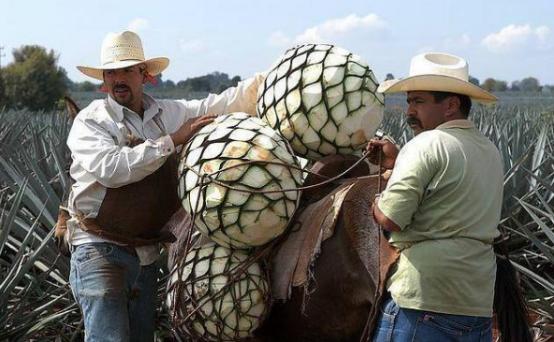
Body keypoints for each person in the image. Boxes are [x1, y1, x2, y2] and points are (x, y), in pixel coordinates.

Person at [63, 30, 264, 341]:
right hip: (99, 250)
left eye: (127, 70)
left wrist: (269, 81)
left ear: (145, 75)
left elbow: (221, 105)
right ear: (103, 79)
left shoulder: (167, 114)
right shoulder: (92, 122)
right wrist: (171, 141)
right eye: (112, 71)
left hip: (145, 253)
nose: (119, 78)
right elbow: (111, 169)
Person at [368, 52, 502, 341]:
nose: (408, 112)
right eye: (408, 102)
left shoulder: (425, 144)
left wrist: (377, 199)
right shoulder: (490, 150)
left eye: (419, 101)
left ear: (451, 105)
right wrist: (399, 161)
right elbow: (446, 190)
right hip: (476, 303)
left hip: (423, 301)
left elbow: (391, 218)